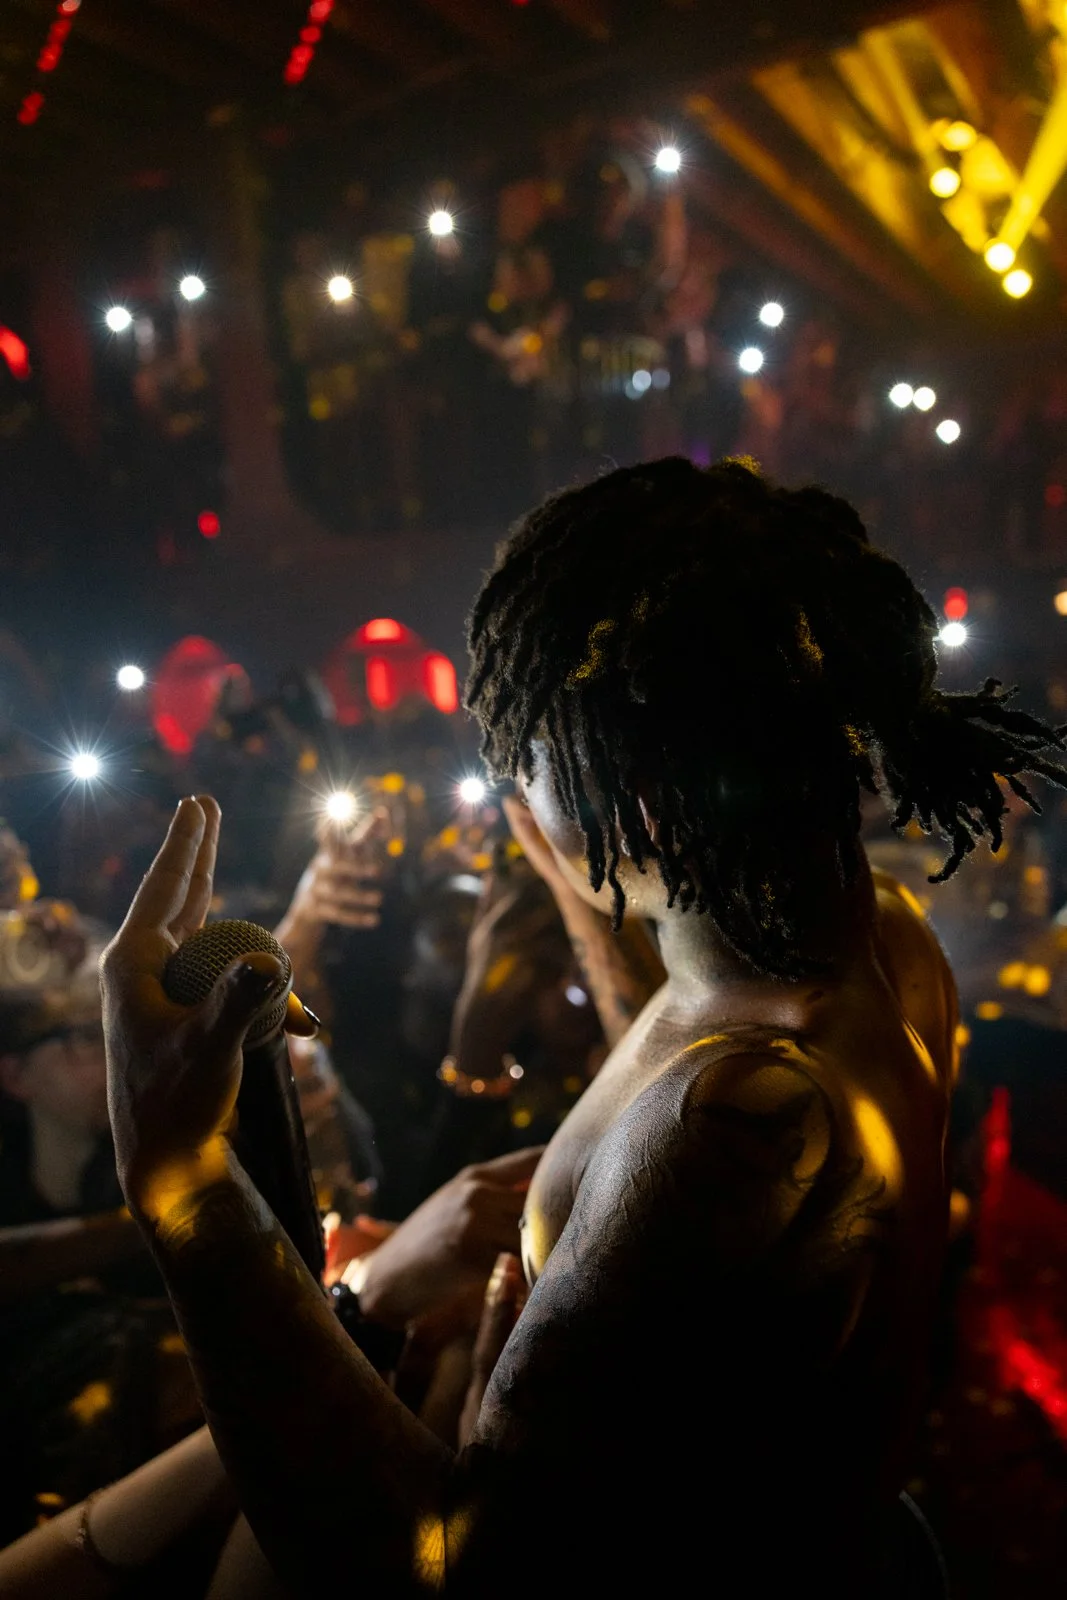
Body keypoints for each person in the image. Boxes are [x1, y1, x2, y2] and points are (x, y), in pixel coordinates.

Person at [98, 458, 1067, 1597]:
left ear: (632, 797)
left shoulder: (735, 1122)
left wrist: (185, 1187)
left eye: (523, 751)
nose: (512, 785)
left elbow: (446, 1574)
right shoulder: (877, 935)